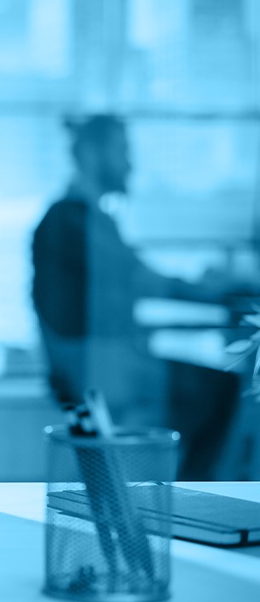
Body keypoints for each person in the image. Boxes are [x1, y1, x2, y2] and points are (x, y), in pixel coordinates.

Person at [32, 113, 247, 480]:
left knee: (218, 389)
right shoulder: (71, 220)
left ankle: (191, 496)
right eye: (122, 151)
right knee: (224, 389)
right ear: (94, 155)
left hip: (108, 361)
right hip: (99, 369)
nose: (130, 163)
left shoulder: (87, 219)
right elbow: (140, 278)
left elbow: (126, 290)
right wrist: (215, 291)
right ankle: (196, 502)